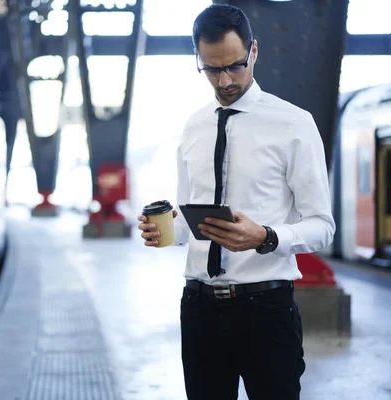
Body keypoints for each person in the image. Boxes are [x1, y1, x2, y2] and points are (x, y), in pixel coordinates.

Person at [137, 4, 336, 400]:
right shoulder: (193, 126)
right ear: (198, 59)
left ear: (254, 52)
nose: (225, 80)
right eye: (211, 69)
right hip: (199, 310)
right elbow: (188, 220)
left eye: (235, 66)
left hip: (265, 308)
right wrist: (165, 231)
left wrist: (265, 236)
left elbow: (322, 225)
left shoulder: (294, 123)